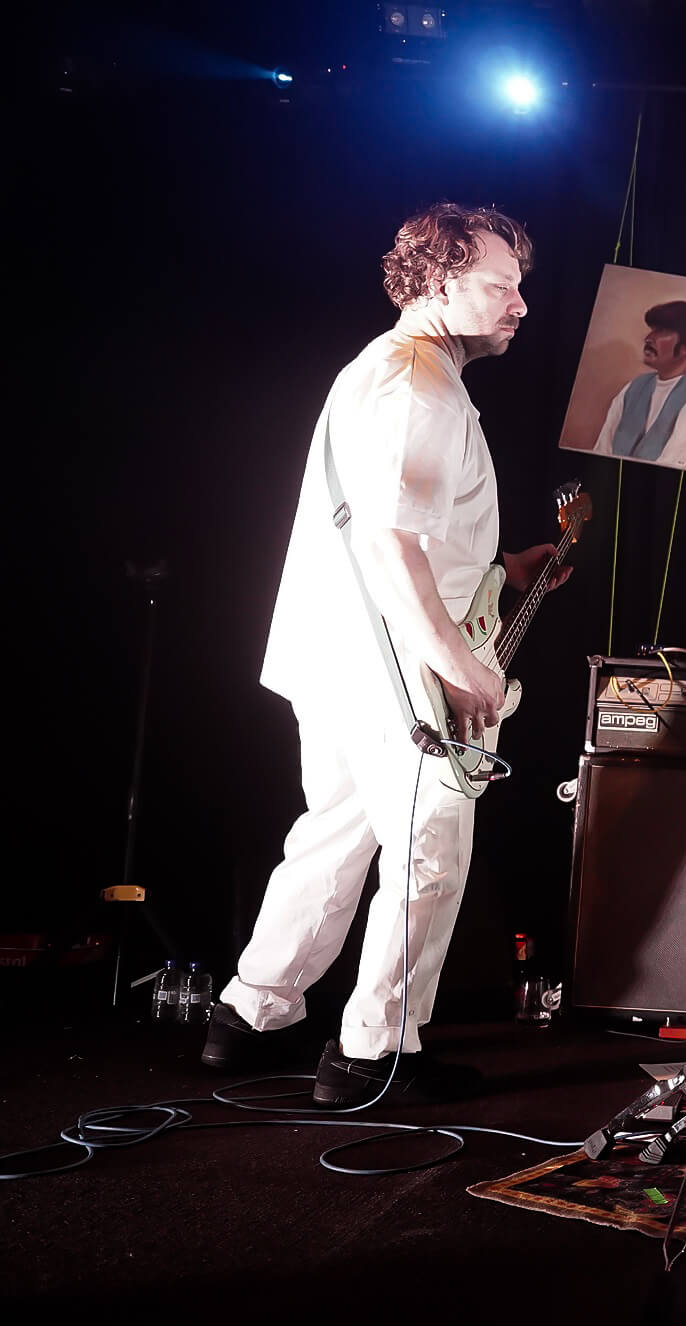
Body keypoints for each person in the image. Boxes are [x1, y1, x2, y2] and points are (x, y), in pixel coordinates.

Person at [203, 203, 563, 1107]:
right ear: (438, 282)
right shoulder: (419, 387)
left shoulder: (386, 367)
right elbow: (388, 545)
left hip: (338, 655)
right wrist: (461, 664)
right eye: (500, 285)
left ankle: (251, 1014)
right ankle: (375, 1051)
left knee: (333, 833)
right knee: (429, 849)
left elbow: (403, 530)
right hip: (394, 666)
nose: (520, 303)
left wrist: (501, 568)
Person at [593, 299, 686, 473]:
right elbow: (602, 450)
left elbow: (671, 466)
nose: (648, 338)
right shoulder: (634, 387)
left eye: (662, 331)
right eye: (653, 330)